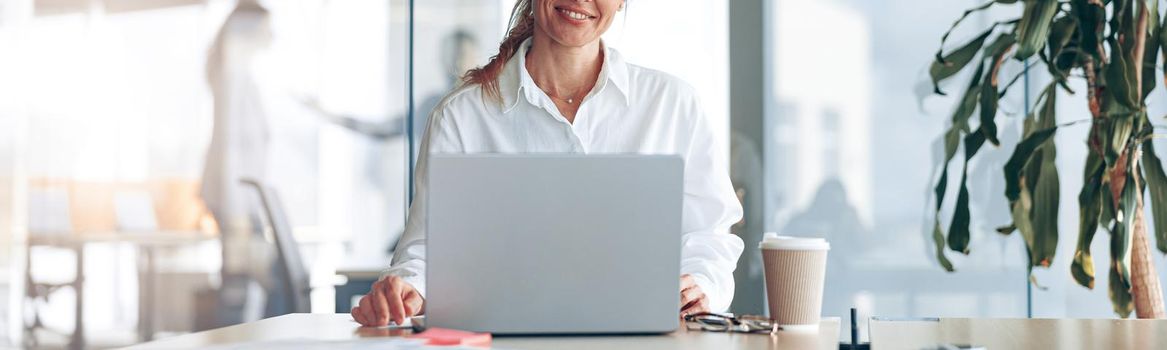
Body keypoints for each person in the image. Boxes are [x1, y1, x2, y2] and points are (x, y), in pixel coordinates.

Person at [351, 0, 744, 327]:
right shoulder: (463, 116)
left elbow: (711, 232)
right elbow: (427, 247)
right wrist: (407, 288)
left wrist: (703, 283)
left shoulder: (672, 105)